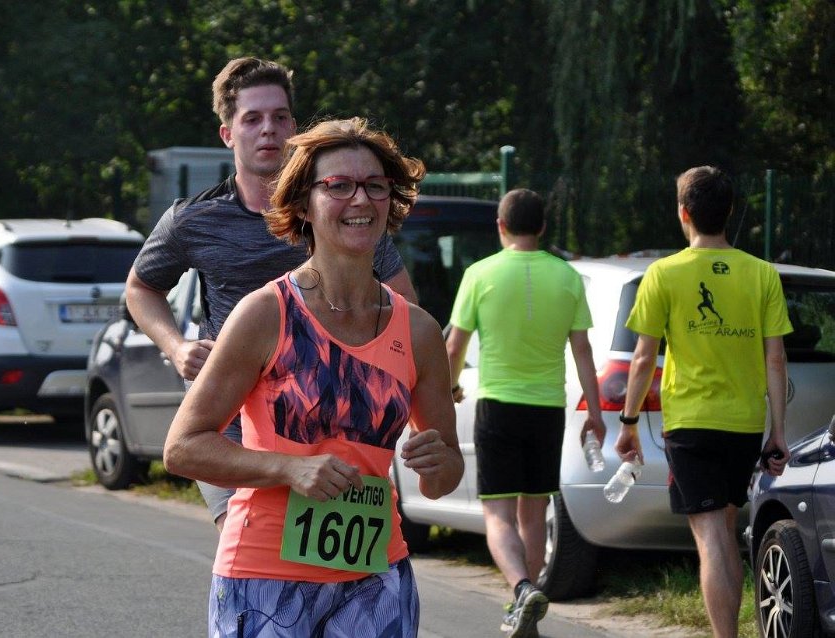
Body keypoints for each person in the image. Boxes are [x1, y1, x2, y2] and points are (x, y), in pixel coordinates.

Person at [162, 117, 464, 638]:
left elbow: (443, 480)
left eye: (375, 185)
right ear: (303, 204)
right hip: (265, 579)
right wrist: (289, 469)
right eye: (339, 185)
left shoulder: (418, 331)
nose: (361, 199)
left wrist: (440, 463)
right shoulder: (266, 314)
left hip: (376, 576)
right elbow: (182, 448)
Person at [125, 57, 417, 530]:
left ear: (294, 129)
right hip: (230, 415)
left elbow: (404, 310)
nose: (269, 130)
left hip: (321, 411)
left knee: (324, 556)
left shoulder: (343, 210)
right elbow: (141, 287)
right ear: (227, 134)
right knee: (245, 533)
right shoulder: (194, 220)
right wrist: (175, 346)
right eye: (253, 119)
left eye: (280, 117)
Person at [613, 166, 792, 638]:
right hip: (744, 423)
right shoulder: (762, 274)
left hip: (691, 423)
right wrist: (778, 431)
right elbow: (776, 359)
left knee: (711, 537)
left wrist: (629, 423)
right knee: (724, 531)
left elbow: (643, 357)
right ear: (729, 212)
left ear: (684, 213)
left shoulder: (663, 273)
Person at [444, 188, 604, 638]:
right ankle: (526, 611)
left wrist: (451, 387)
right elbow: (583, 350)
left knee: (497, 514)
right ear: (543, 227)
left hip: (498, 405)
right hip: (547, 408)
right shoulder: (568, 276)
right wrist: (594, 413)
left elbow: (454, 345)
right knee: (532, 515)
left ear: (500, 226)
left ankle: (521, 590)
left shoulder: (480, 273)